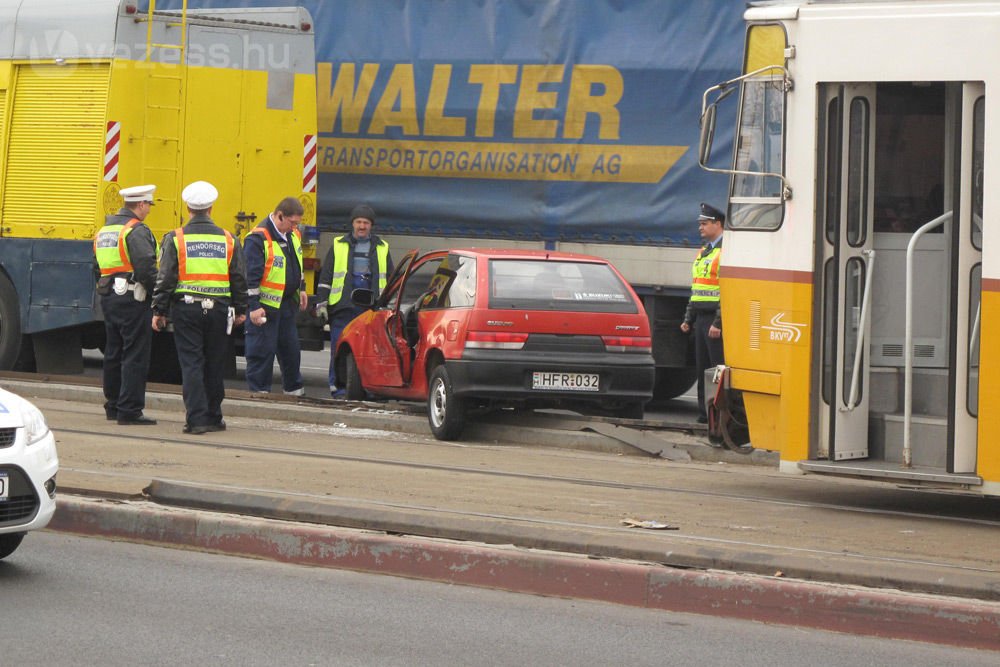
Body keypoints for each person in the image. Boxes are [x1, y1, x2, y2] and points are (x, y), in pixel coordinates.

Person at [152, 181, 248, 434]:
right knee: (215, 363)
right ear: (211, 208)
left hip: (187, 309)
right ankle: (214, 417)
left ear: (188, 208)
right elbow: (239, 276)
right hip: (219, 311)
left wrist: (159, 310)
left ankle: (196, 420)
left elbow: (166, 277)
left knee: (192, 364)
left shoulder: (176, 238)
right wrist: (241, 310)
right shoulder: (229, 239)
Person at [93, 184, 160, 425]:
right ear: (141, 204)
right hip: (133, 299)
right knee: (135, 353)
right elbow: (146, 268)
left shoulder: (105, 230)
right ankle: (129, 410)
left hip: (109, 297)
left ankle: (113, 406)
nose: (149, 210)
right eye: (148, 206)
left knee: (113, 351)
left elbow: (96, 267)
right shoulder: (136, 230)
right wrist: (158, 298)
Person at [315, 204, 393, 397]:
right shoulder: (338, 245)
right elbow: (326, 277)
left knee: (371, 350)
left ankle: (371, 389)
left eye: (366, 222)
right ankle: (338, 387)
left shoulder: (382, 248)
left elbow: (391, 280)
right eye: (358, 222)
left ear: (371, 225)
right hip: (343, 307)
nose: (362, 226)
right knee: (339, 347)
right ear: (352, 223)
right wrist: (322, 304)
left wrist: (389, 305)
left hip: (371, 308)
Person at [243, 197, 308, 395]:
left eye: (297, 223)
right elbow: (250, 278)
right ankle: (260, 394)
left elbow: (297, 264)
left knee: (290, 351)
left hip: (286, 305)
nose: (295, 227)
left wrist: (302, 287)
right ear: (280, 216)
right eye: (292, 222)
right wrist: (253, 306)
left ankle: (295, 392)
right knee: (262, 352)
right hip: (265, 307)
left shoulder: (292, 234)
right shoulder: (258, 238)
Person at [680, 202, 726, 424]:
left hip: (714, 321)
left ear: (718, 224)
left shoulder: (725, 251)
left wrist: (718, 322)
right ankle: (704, 414)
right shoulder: (704, 252)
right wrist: (688, 318)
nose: (700, 227)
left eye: (704, 223)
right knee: (702, 369)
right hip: (701, 319)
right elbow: (696, 286)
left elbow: (726, 291)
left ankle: (719, 415)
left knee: (717, 370)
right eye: (700, 223)